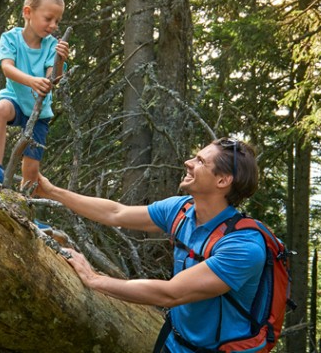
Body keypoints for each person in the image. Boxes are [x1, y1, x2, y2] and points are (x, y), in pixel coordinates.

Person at [32, 138, 265, 353]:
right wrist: (50, 191)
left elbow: (170, 293)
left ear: (222, 180)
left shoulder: (243, 246)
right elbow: (116, 213)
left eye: (201, 161)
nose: (188, 162)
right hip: (174, 342)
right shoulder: (181, 210)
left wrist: (94, 279)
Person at [0, 0, 70, 185]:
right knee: (0, 109)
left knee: (30, 173)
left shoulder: (52, 46)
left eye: (57, 21)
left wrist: (60, 61)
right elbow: (7, 68)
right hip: (14, 100)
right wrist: (32, 81)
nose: (53, 25)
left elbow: (53, 78)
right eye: (48, 18)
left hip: (39, 113)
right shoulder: (10, 38)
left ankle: (25, 199)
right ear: (28, 12)